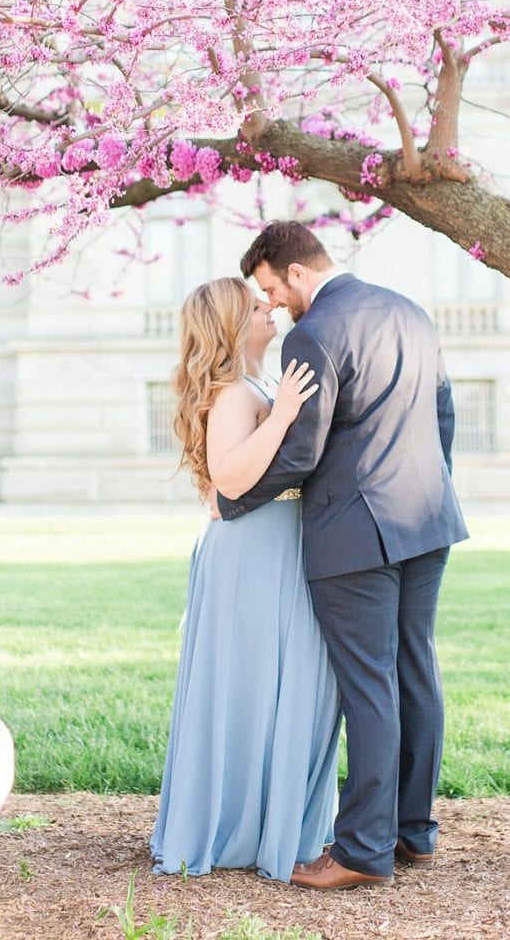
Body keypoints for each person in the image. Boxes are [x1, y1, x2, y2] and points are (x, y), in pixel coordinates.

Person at [218, 221, 467, 891]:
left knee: (369, 684)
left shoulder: (314, 331)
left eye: (271, 288)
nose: (272, 305)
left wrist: (232, 497)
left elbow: (300, 449)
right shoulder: (410, 312)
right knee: (415, 670)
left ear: (296, 272)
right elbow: (444, 413)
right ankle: (413, 833)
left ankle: (361, 850)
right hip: (428, 520)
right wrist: (431, 488)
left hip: (355, 534)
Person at [149, 277, 342, 883]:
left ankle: (271, 823)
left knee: (276, 682)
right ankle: (241, 826)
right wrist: (284, 412)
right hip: (252, 551)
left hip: (275, 544)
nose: (270, 308)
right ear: (233, 324)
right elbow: (231, 480)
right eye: (257, 306)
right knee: (250, 684)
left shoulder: (253, 383)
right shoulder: (237, 392)